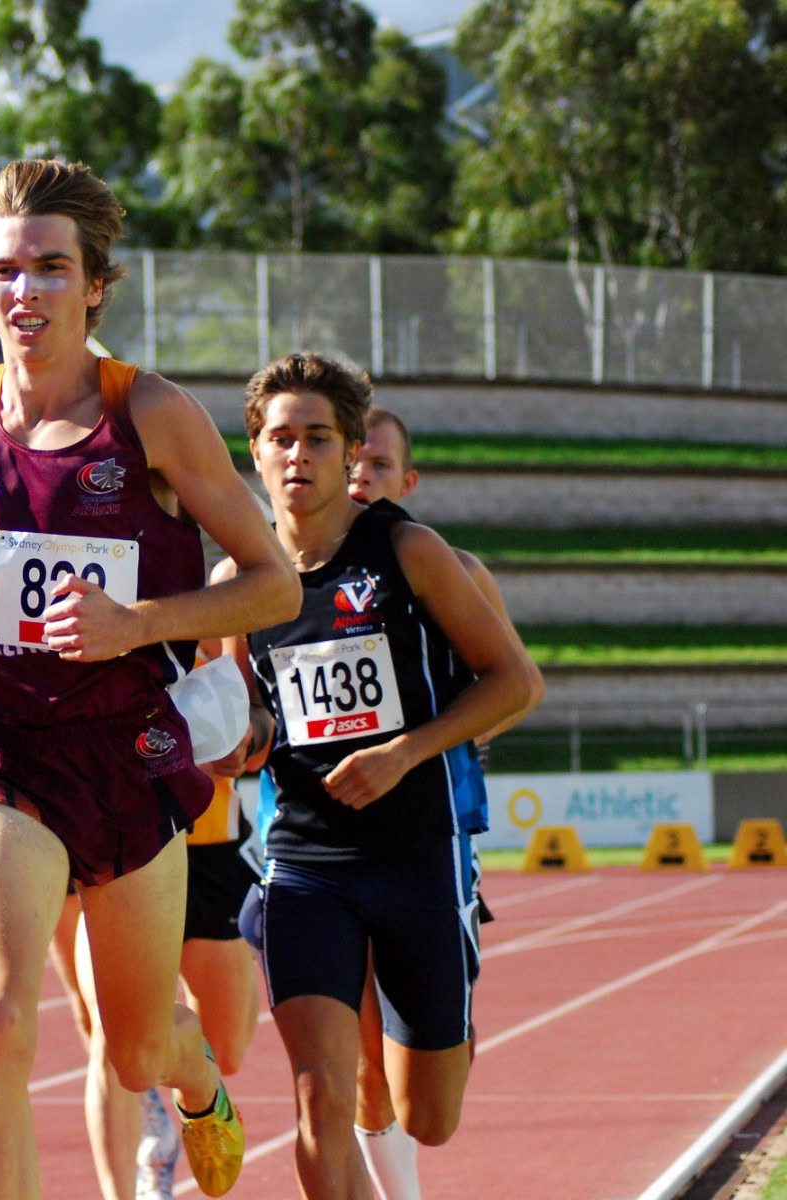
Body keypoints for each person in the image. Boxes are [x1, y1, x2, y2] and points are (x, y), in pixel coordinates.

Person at [0, 158, 300, 1199]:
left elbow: (271, 582)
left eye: (52, 270)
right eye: (7, 271)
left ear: (96, 284)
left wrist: (138, 624)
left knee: (134, 1051)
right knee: (2, 1016)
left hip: (130, 755)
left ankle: (194, 1082)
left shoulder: (149, 414)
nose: (28, 295)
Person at [219, 353, 540, 1200]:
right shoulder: (239, 582)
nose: (298, 456)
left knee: (426, 1113)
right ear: (254, 451)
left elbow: (516, 682)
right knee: (319, 1094)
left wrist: (405, 752)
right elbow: (250, 708)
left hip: (416, 858)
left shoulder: (408, 551)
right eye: (279, 438)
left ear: (349, 449)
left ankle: (448, 1010)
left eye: (317, 439)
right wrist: (242, 735)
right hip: (303, 864)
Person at [342, 406, 539, 1200]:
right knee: (353, 1059)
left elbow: (510, 686)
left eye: (378, 466)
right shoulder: (281, 573)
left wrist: (432, 749)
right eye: (350, 462)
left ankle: (441, 1029)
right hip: (320, 843)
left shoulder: (451, 567)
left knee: (426, 1080)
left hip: (433, 831)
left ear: (408, 482)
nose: (360, 477)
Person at [47, 644, 264, 1200]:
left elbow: (258, 714)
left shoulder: (211, 594)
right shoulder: (56, 587)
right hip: (101, 836)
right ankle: (142, 1149)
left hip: (207, 842)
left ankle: (184, 1084)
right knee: (105, 1034)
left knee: (228, 1047)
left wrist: (246, 740)